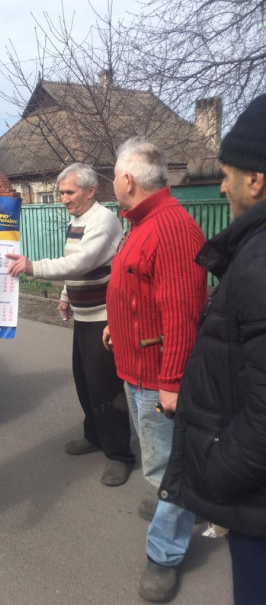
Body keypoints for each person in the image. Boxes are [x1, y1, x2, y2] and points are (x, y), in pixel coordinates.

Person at [159, 94, 266, 605]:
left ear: (256, 180)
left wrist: (217, 474)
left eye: (225, 174)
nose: (220, 186)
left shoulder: (262, 261)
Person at [103, 137, 207, 602]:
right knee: (158, 458)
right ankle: (173, 503)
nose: (112, 181)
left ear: (127, 179)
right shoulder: (143, 221)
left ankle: (166, 551)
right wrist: (117, 324)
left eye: (113, 174)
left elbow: (182, 312)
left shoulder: (171, 228)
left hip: (156, 376)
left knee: (170, 464)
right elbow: (136, 287)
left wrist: (173, 382)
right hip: (136, 365)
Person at [7, 162, 135, 486]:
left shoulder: (103, 221)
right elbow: (74, 266)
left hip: (104, 317)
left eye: (69, 192)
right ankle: (94, 435)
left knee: (105, 386)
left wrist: (33, 266)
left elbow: (81, 261)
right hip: (82, 315)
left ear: (90, 191)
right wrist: (65, 294)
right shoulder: (77, 220)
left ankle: (119, 454)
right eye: (61, 191)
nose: (63, 198)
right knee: (84, 380)